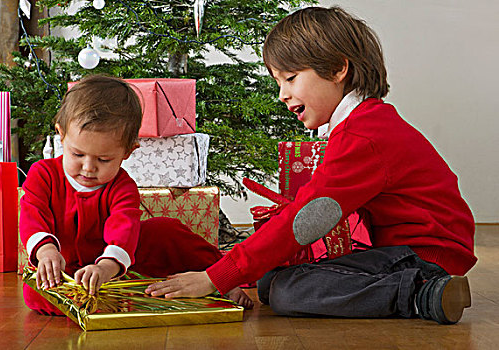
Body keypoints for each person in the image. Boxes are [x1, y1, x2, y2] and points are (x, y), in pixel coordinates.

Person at [146, 6, 476, 325]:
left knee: (289, 291)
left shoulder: (364, 135)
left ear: (337, 69)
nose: (282, 94)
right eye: (278, 82)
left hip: (427, 256)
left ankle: (423, 293)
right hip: (400, 252)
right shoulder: (359, 124)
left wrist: (216, 277)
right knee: (271, 282)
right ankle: (410, 286)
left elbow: (306, 218)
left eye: (290, 78)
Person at [19, 75, 252, 315]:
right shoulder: (43, 174)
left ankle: (221, 275)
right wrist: (46, 251)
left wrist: (107, 266)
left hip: (116, 262)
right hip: (65, 266)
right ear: (61, 135)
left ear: (128, 152)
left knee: (166, 230)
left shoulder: (122, 186)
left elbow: (123, 228)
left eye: (103, 159)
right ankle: (109, 295)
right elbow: (32, 216)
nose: (88, 167)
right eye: (77, 154)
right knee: (34, 293)